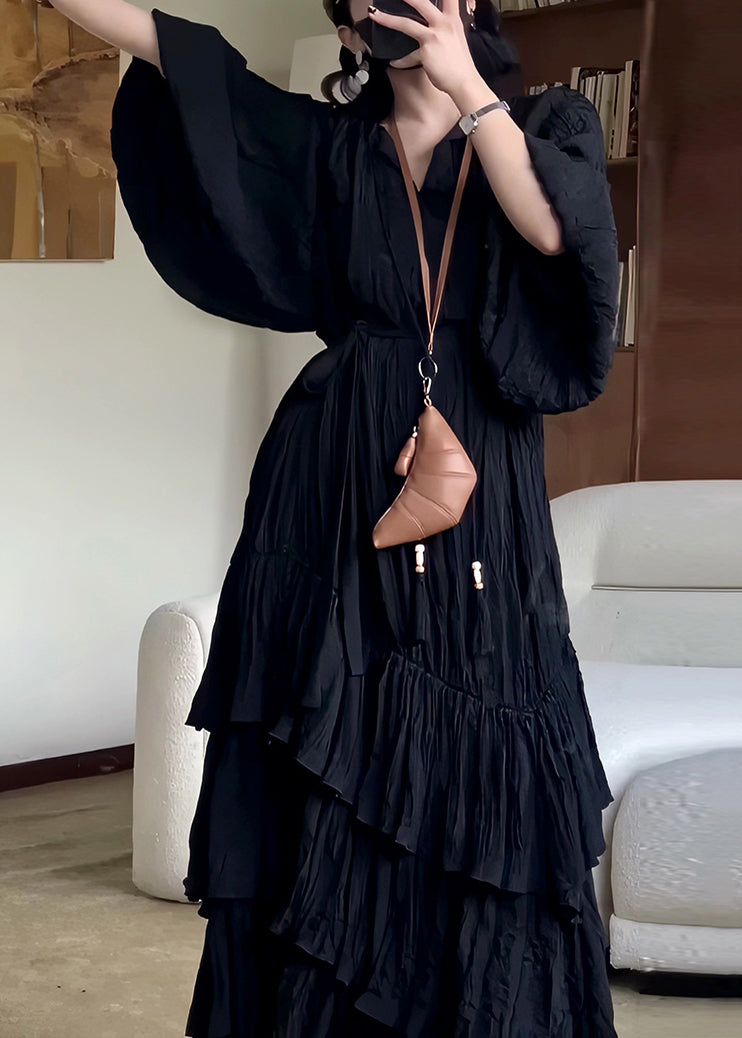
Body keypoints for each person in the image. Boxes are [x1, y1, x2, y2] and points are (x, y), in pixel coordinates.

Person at [48, 0, 621, 1033]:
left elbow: (552, 230)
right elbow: (169, 47)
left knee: (483, 719)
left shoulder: (546, 124)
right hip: (331, 473)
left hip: (481, 475)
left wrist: (465, 84)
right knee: (322, 731)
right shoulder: (326, 147)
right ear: (351, 31)